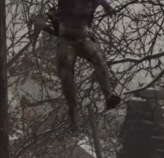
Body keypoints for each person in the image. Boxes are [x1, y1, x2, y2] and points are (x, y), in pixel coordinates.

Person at [29, 0, 121, 130]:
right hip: (67, 41)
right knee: (66, 72)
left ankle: (108, 96)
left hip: (81, 38)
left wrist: (108, 7)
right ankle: (73, 110)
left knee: (98, 59)